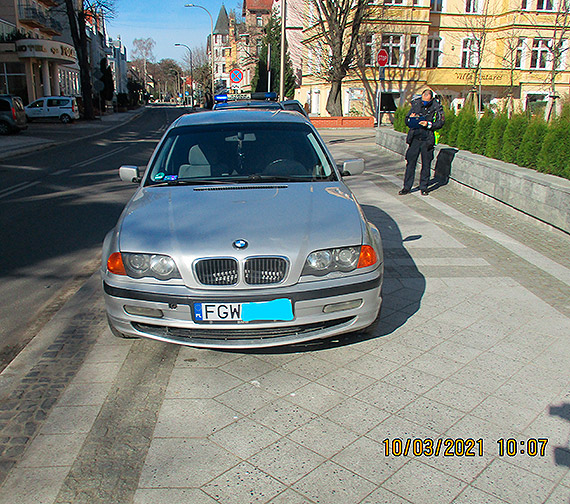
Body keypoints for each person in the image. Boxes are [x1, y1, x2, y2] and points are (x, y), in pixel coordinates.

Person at [400, 89, 445, 196]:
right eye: (423, 100)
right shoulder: (416, 104)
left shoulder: (437, 106)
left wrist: (428, 124)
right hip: (415, 137)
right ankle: (406, 187)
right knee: (410, 163)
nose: (424, 103)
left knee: (426, 164)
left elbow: (441, 122)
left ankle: (424, 187)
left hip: (427, 138)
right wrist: (410, 119)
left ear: (431, 98)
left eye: (427, 101)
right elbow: (406, 120)